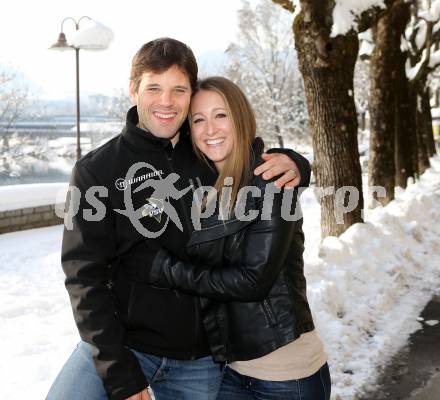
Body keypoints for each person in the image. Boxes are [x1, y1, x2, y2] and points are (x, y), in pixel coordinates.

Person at [46, 38, 311, 400]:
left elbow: (250, 156)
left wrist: (295, 161)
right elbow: (83, 278)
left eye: (179, 90)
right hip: (122, 346)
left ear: (191, 95)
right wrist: (118, 371)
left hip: (198, 359)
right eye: (154, 87)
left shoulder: (204, 150)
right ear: (133, 90)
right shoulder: (97, 170)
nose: (166, 102)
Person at [147, 76, 331, 400]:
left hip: (287, 374)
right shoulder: (201, 185)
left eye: (221, 115)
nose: (210, 129)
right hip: (230, 373)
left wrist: (168, 271)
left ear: (240, 118)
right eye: (198, 120)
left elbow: (253, 280)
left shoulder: (271, 180)